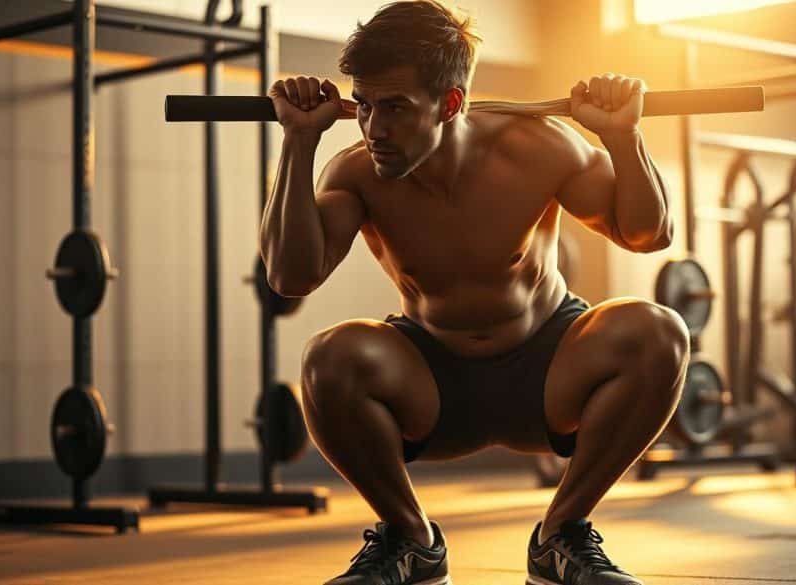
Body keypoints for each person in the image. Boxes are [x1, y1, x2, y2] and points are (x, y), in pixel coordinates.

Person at [261, 2, 689, 583]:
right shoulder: (355, 171)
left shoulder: (538, 147)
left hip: (548, 370)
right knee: (329, 358)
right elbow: (290, 276)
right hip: (434, 384)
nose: (373, 129)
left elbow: (647, 233)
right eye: (362, 105)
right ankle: (411, 541)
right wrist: (298, 142)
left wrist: (622, 135)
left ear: (451, 103)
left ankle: (561, 534)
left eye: (394, 108)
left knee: (658, 331)